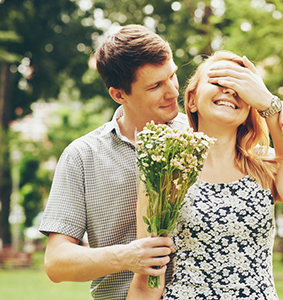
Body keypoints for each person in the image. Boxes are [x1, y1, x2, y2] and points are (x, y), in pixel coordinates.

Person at [126, 51, 283, 299]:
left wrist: (278, 111)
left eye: (241, 88)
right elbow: (147, 277)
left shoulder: (265, 165)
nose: (230, 91)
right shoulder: (165, 172)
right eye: (219, 82)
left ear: (250, 107)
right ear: (191, 100)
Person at [39, 25, 186, 299]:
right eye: (155, 85)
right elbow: (56, 263)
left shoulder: (203, 136)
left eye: (172, 75)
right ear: (119, 95)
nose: (173, 92)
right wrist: (126, 256)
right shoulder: (81, 156)